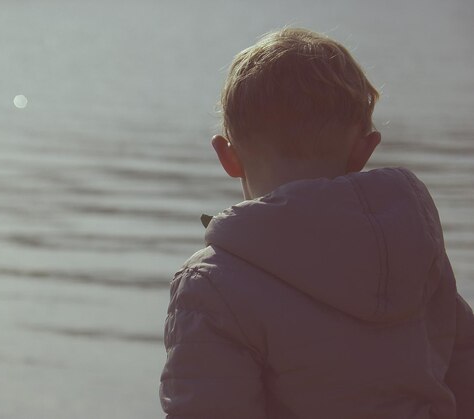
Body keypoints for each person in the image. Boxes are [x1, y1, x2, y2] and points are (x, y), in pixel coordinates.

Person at [159, 27, 474, 419]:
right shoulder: (414, 247)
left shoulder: (214, 285)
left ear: (228, 156)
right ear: (363, 150)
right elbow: (464, 373)